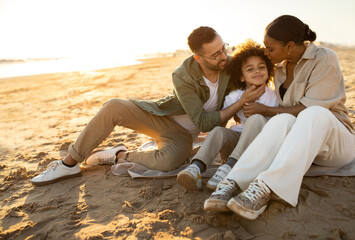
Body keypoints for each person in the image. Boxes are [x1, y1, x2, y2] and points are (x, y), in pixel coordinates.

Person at [32, 26, 265, 186]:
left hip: (182, 135)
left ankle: (119, 155)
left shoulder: (230, 65)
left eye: (223, 48)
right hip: (161, 119)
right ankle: (68, 163)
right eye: (215, 55)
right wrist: (241, 104)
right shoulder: (182, 75)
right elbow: (203, 122)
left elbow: (259, 61)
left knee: (168, 162)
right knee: (113, 106)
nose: (223, 56)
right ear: (198, 58)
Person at [204, 15, 355, 220]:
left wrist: (265, 110)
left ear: (290, 46)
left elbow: (307, 108)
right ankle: (234, 182)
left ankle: (267, 187)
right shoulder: (280, 68)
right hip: (304, 144)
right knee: (280, 120)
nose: (266, 53)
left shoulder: (324, 58)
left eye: (270, 49)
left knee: (313, 113)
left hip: (336, 142)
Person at [176, 39, 278, 191]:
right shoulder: (235, 96)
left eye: (261, 67)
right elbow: (221, 124)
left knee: (257, 119)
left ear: (268, 71)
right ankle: (196, 168)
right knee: (218, 131)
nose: (257, 71)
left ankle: (229, 168)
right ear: (242, 76)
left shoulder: (274, 97)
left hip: (259, 148)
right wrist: (218, 139)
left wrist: (262, 110)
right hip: (236, 146)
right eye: (250, 69)